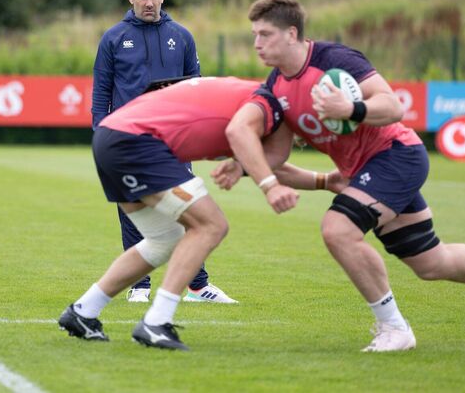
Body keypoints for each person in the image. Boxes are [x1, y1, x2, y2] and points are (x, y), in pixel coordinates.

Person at [213, 0, 465, 352]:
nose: (257, 44)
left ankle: (395, 329)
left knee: (338, 230)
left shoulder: (334, 59)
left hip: (397, 154)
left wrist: (350, 107)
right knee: (431, 262)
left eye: (265, 35)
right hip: (366, 171)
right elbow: (277, 152)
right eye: (254, 36)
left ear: (292, 34)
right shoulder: (276, 86)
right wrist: (243, 165)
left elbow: (392, 105)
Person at [60, 76, 302, 350]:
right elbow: (250, 146)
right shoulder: (264, 107)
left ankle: (83, 311)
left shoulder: (246, 99)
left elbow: (261, 162)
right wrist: (270, 188)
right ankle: (156, 322)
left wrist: (325, 181)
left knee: (165, 239)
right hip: (137, 142)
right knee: (211, 225)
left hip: (114, 136)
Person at [91, 0, 235, 304]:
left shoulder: (182, 36)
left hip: (174, 141)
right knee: (134, 210)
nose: (149, 3)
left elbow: (196, 89)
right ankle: (139, 286)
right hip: (128, 140)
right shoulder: (113, 38)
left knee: (190, 211)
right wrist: (101, 134)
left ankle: (198, 286)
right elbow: (101, 94)